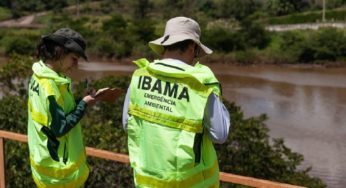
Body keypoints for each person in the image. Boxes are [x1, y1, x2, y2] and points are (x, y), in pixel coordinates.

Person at [122, 17, 230, 187]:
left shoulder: (140, 77)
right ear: (192, 46)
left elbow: (127, 124)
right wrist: (216, 92)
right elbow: (220, 135)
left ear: (165, 45)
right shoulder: (201, 83)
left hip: (147, 182)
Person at [27, 28, 97, 187]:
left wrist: (81, 101)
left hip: (45, 168)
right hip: (59, 176)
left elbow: (56, 113)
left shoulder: (39, 76)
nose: (76, 65)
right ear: (60, 52)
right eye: (74, 59)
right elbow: (60, 127)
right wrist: (83, 105)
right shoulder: (51, 86)